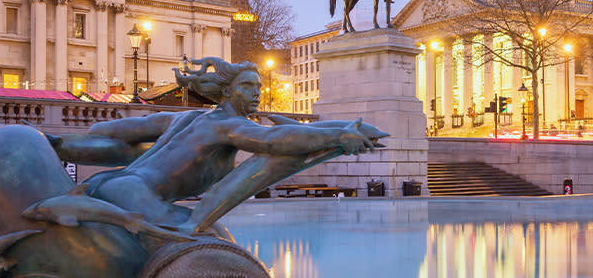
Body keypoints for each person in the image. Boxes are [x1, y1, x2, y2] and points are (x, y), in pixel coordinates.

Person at [50, 57, 380, 229]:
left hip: (106, 183)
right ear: (226, 92)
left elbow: (118, 132)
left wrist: (65, 144)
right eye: (249, 86)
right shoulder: (229, 128)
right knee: (207, 242)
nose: (256, 93)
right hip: (136, 199)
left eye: (258, 87)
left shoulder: (183, 119)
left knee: (134, 152)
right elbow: (274, 139)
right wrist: (337, 135)